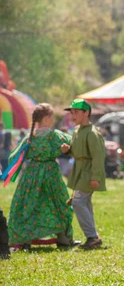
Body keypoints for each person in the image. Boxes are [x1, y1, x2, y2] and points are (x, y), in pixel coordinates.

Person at [5, 103, 78, 251]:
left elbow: (14, 156)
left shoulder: (29, 137)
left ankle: (24, 238)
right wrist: (66, 150)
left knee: (29, 205)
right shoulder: (54, 135)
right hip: (51, 173)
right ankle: (63, 238)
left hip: (31, 174)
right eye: (51, 117)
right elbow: (74, 143)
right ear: (46, 118)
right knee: (58, 203)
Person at [61, 99, 106, 250]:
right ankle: (93, 236)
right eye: (71, 112)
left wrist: (95, 176)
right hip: (79, 171)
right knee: (84, 203)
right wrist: (68, 150)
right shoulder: (76, 130)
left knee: (78, 202)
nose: (73, 115)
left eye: (76, 112)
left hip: (88, 172)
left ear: (86, 113)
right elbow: (77, 151)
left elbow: (98, 156)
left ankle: (92, 237)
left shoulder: (93, 133)